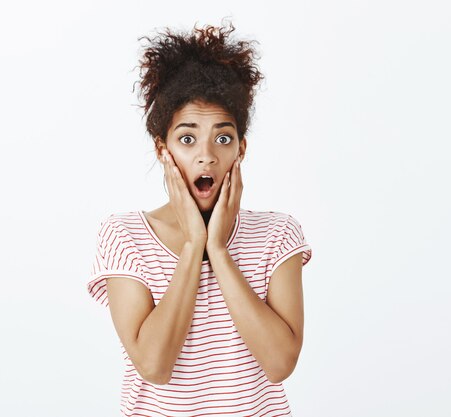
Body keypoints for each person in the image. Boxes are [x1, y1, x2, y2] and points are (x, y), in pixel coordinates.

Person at [86, 20, 312, 417]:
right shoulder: (124, 235)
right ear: (162, 149)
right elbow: (154, 366)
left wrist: (219, 251)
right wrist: (193, 246)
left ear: (241, 149)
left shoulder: (278, 234)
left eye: (222, 138)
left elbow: (280, 364)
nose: (206, 155)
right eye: (187, 138)